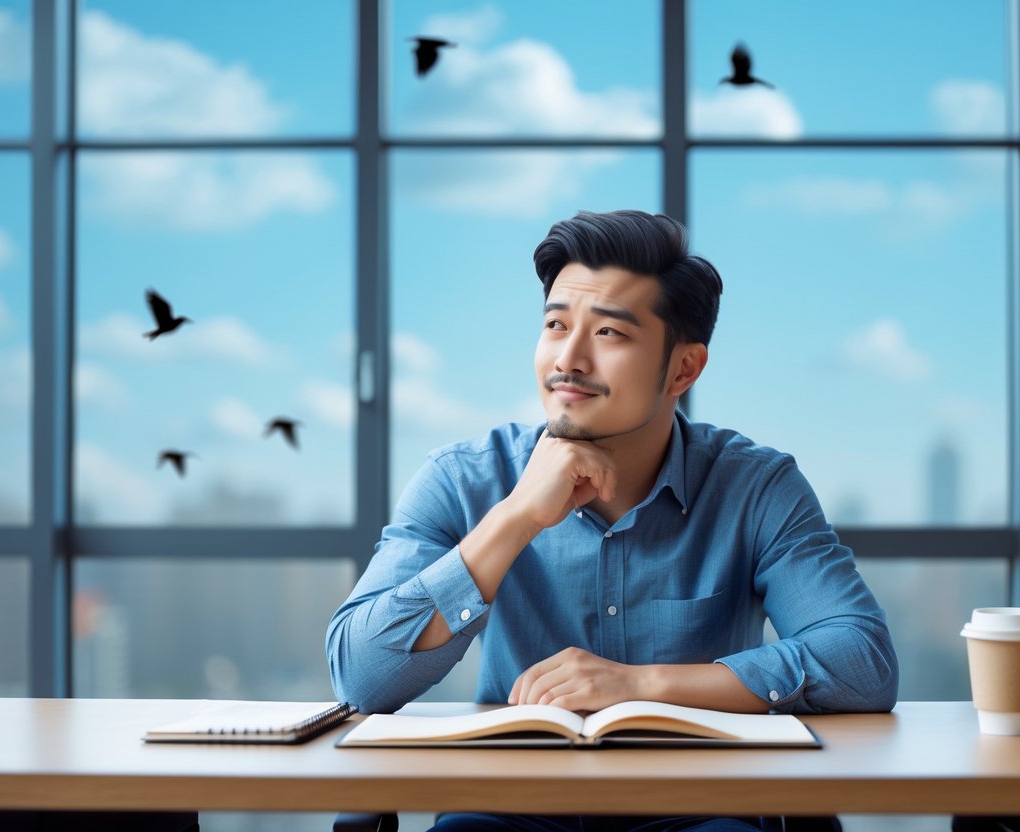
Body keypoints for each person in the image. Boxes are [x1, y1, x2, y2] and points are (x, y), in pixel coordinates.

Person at [326, 209, 898, 832]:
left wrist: (641, 685)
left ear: (684, 369)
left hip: (698, 812)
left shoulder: (756, 486)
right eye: (555, 325)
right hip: (507, 813)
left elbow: (861, 662)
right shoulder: (463, 477)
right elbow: (361, 676)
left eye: (609, 335)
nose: (567, 359)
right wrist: (515, 517)